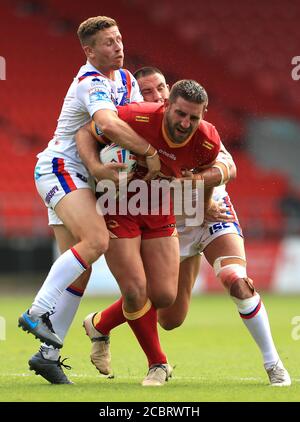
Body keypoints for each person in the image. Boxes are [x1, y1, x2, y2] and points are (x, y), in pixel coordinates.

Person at [84, 67, 291, 387]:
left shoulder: (196, 127)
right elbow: (92, 134)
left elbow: (228, 166)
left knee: (236, 280)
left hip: (210, 216)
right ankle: (100, 322)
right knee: (169, 316)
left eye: (162, 87)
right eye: (148, 91)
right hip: (169, 226)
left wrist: (201, 193)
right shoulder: (134, 126)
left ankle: (274, 364)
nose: (158, 95)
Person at [18, 16, 161, 384]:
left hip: (82, 177)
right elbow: (110, 125)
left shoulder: (126, 80)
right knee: (96, 241)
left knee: (80, 270)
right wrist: (149, 152)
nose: (118, 47)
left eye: (119, 39)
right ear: (89, 51)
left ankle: (48, 355)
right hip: (60, 169)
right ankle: (37, 312)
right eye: (109, 43)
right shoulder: (89, 82)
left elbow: (133, 121)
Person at [77, 79, 221, 385]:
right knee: (134, 291)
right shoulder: (136, 117)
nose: (186, 123)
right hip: (118, 207)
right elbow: (85, 133)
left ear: (204, 114)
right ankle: (158, 364)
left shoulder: (207, 140)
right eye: (180, 114)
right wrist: (97, 167)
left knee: (164, 296)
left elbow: (209, 174)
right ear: (167, 105)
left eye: (194, 117)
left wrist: (204, 203)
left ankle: (99, 324)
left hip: (158, 209)